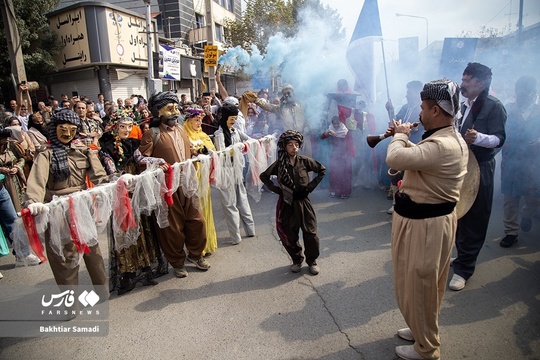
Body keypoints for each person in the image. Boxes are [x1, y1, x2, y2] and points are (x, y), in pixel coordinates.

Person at [386, 80, 468, 360]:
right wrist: (405, 138)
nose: (418, 114)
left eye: (422, 108)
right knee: (417, 284)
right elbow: (416, 160)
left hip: (427, 227)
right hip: (422, 224)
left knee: (421, 285)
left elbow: (394, 156)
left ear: (435, 110)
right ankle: (419, 328)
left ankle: (427, 349)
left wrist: (398, 135)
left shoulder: (444, 145)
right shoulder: (442, 139)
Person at [23, 109, 109, 287]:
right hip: (57, 208)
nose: (67, 133)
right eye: (62, 129)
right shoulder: (46, 154)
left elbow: (100, 177)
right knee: (64, 255)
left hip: (82, 204)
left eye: (72, 129)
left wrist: (116, 183)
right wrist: (33, 203)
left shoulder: (83, 151)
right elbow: (37, 182)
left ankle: (102, 290)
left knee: (91, 249)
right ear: (54, 128)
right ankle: (70, 301)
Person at [138, 91, 210, 278]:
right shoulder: (151, 133)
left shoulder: (181, 130)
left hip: (187, 182)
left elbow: (186, 152)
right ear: (157, 111)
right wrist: (156, 161)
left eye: (176, 108)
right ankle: (177, 262)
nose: (174, 112)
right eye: (169, 109)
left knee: (197, 221)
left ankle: (196, 255)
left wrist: (196, 152)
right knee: (172, 226)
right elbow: (139, 157)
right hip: (166, 187)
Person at [450, 62, 507, 291]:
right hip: (462, 166)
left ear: (480, 83)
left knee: (475, 217)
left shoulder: (494, 106)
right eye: (462, 79)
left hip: (481, 168)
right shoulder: (463, 105)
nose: (462, 84)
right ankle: (463, 255)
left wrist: (480, 137)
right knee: (459, 214)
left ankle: (464, 269)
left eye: (467, 80)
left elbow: (499, 139)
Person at [99, 113, 160, 294]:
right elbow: (111, 171)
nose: (126, 130)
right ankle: (129, 272)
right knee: (125, 230)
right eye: (122, 126)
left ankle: (145, 266)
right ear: (113, 127)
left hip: (136, 192)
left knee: (142, 227)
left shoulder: (133, 143)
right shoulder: (106, 148)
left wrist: (159, 161)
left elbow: (140, 159)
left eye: (128, 126)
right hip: (121, 194)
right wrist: (123, 178)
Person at [259, 130, 326, 275]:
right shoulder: (279, 164)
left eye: (296, 144)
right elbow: (264, 176)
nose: (294, 147)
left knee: (311, 233)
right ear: (284, 146)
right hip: (287, 204)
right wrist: (278, 190)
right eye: (290, 144)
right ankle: (297, 260)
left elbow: (321, 170)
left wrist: (310, 187)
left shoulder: (304, 161)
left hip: (303, 202)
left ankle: (312, 261)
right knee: (290, 234)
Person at [499, 75, 540, 247]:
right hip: (511, 159)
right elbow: (498, 131)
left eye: (525, 93)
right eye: (519, 92)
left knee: (534, 195)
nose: (521, 96)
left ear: (533, 94)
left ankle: (527, 213)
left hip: (533, 161)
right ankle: (511, 231)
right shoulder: (507, 109)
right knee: (510, 197)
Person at [213, 104, 256, 245]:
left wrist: (258, 140)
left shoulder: (236, 131)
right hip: (225, 172)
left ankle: (250, 230)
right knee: (229, 204)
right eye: (231, 119)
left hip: (237, 170)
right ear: (225, 118)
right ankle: (235, 236)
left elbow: (249, 140)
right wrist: (236, 148)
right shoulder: (219, 135)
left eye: (235, 119)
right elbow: (221, 153)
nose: (234, 121)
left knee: (242, 200)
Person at [183, 106, 218, 256]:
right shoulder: (183, 135)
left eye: (200, 120)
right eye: (196, 120)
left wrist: (203, 151)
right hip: (190, 177)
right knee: (194, 212)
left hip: (202, 176)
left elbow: (213, 151)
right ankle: (196, 248)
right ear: (188, 121)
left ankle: (207, 244)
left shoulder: (203, 135)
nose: (199, 123)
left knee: (205, 208)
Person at [320, 116, 354, 199]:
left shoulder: (345, 131)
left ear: (340, 123)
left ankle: (344, 192)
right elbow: (322, 137)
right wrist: (329, 131)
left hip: (344, 155)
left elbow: (350, 144)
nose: (335, 125)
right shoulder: (331, 129)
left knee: (344, 173)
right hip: (335, 154)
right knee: (334, 172)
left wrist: (347, 155)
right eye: (334, 123)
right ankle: (335, 191)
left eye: (337, 123)